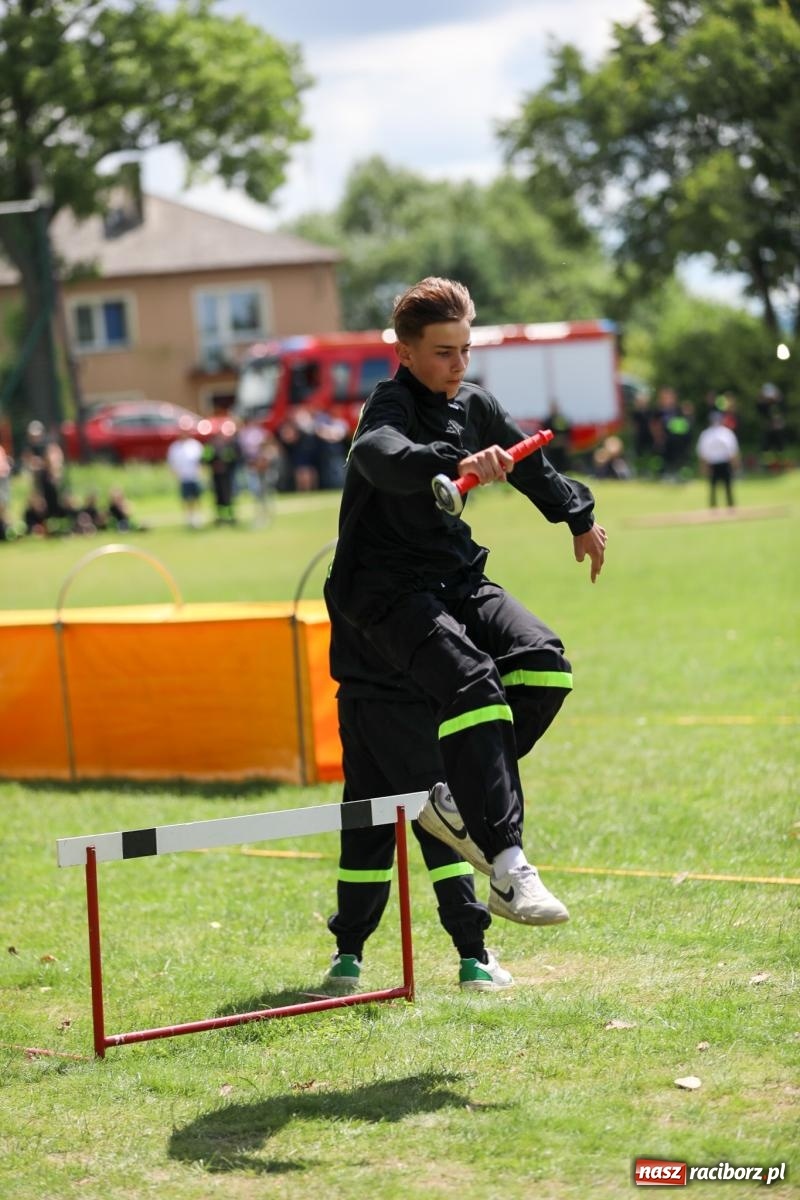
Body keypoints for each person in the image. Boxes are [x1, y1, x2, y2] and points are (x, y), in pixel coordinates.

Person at [325, 277, 607, 927]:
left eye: (466, 349)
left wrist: (578, 518)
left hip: (452, 574)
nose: (458, 365)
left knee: (543, 662)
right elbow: (378, 455)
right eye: (444, 352)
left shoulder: (474, 403)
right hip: (385, 594)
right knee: (476, 685)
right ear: (404, 352)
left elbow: (529, 463)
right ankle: (508, 868)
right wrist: (451, 463)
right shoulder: (387, 407)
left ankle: (453, 796)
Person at [321, 603, 513, 995]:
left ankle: (346, 959)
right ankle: (474, 960)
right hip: (408, 707)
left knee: (365, 834)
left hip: (356, 708)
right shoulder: (400, 563)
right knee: (442, 829)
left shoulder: (343, 567)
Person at [696, 409, 740, 508]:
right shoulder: (707, 434)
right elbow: (703, 452)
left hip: (724, 462)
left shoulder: (726, 433)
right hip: (713, 463)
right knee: (713, 487)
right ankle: (714, 507)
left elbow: (732, 451)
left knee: (727, 487)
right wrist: (703, 466)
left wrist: (735, 464)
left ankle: (730, 506)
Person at [166, 420, 204, 528]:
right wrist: (175, 474)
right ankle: (189, 518)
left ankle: (197, 517)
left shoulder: (195, 445)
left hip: (195, 477)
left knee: (197, 498)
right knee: (186, 499)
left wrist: (201, 473)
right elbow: (172, 463)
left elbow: (201, 461)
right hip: (183, 477)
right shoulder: (175, 447)